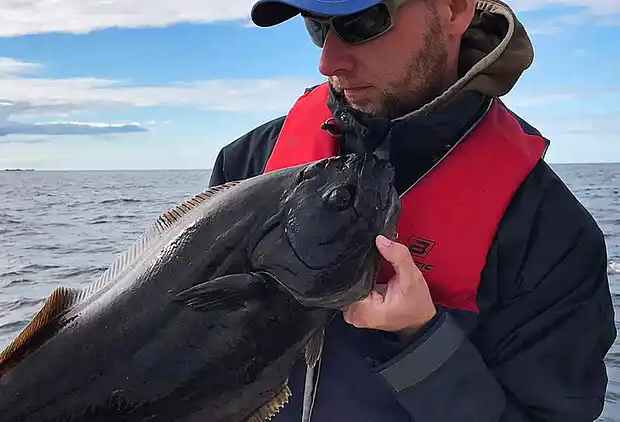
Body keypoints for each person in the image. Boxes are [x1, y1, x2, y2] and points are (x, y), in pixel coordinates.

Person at [207, 0, 616, 420]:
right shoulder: (247, 165)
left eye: (360, 23)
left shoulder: (551, 235)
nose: (327, 61)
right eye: (316, 27)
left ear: (454, 10)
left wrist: (423, 342)